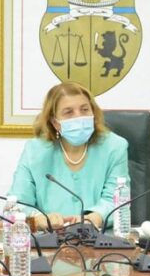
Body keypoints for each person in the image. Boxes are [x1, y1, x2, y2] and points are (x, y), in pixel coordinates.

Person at [8, 81, 130, 230]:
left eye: (85, 110)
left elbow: (116, 200)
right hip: (49, 238)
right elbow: (17, 203)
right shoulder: (35, 150)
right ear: (55, 122)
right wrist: (39, 219)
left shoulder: (115, 146)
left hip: (98, 237)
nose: (79, 117)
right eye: (69, 112)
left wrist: (96, 217)